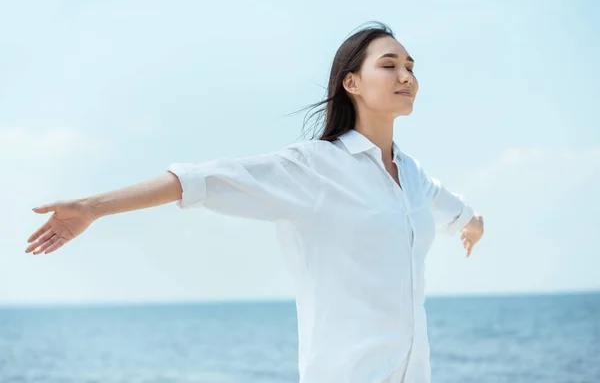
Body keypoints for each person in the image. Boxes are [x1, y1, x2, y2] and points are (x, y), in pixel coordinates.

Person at [25, 22, 484, 383]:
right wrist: (92, 207)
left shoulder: (412, 175)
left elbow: (456, 210)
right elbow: (199, 179)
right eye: (389, 65)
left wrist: (473, 224)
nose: (406, 75)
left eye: (410, 65)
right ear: (352, 82)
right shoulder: (315, 168)